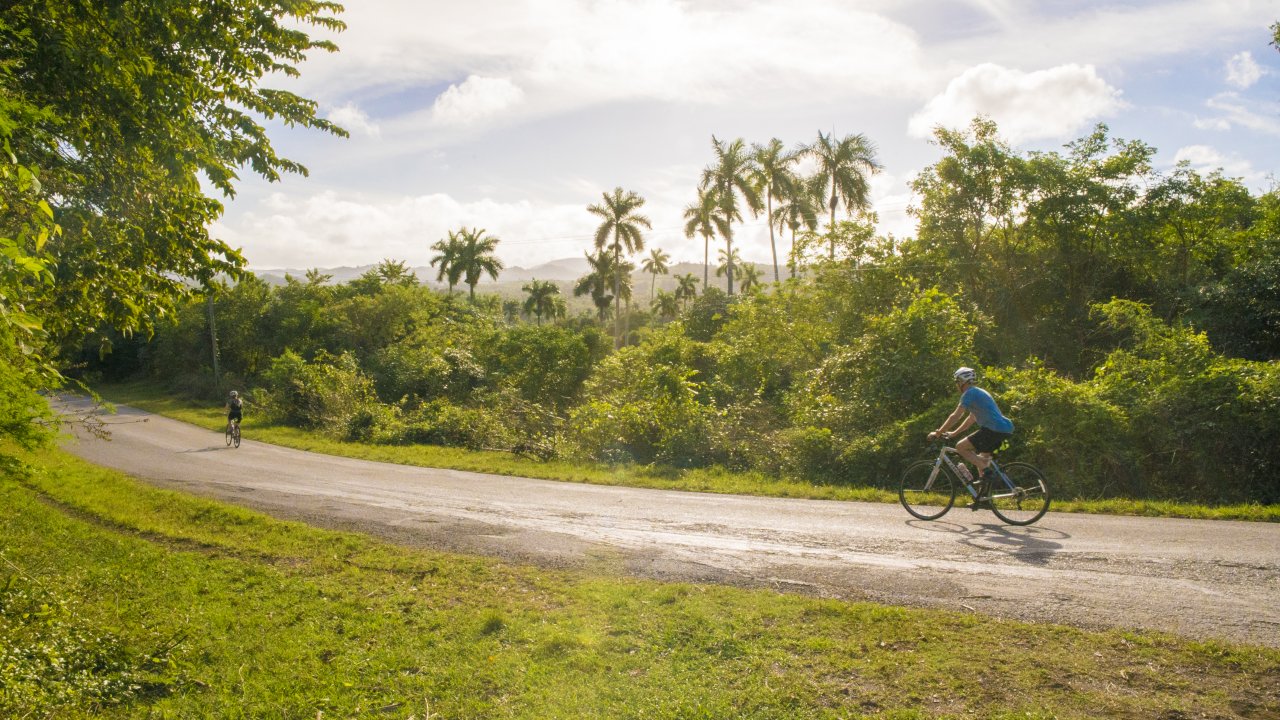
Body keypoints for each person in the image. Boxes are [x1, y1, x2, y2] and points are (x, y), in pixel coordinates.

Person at [927, 367, 1014, 505]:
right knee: (981, 460)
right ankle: (984, 498)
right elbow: (971, 419)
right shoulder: (979, 393)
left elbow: (956, 415)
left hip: (993, 429)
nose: (956, 385)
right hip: (1005, 429)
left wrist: (938, 433)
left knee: (961, 447)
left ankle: (988, 471)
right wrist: (954, 433)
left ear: (962, 381)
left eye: (957, 382)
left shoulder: (969, 393)